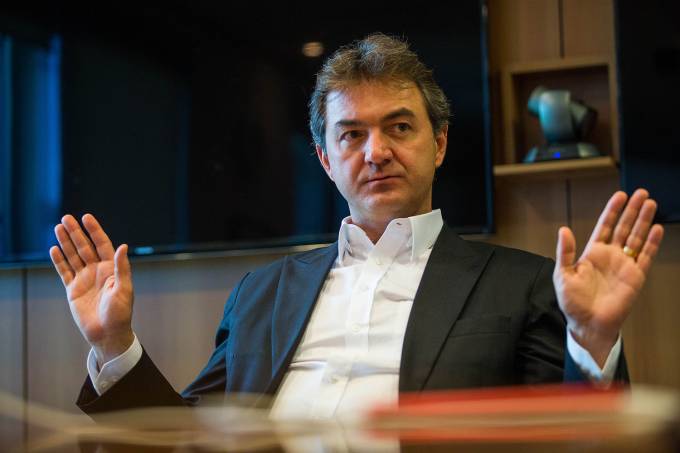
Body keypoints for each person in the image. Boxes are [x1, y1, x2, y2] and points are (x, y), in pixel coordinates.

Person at [50, 34, 664, 419]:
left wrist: (591, 339)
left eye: (399, 127)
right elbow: (180, 440)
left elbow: (573, 438)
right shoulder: (261, 294)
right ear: (325, 159)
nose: (376, 152)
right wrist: (113, 345)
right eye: (351, 135)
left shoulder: (524, 285)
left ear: (439, 143)